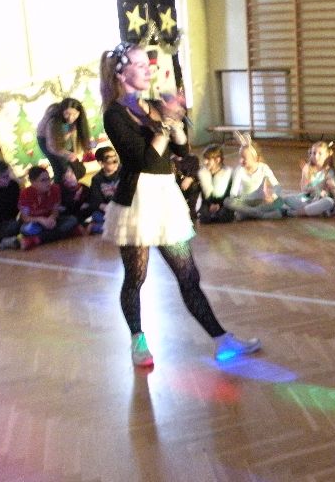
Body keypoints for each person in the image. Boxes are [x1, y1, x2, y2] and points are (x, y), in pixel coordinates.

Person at [99, 41, 260, 367]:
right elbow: (145, 160)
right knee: (136, 278)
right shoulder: (114, 114)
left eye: (148, 64)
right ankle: (137, 340)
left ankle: (222, 340)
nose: (148, 70)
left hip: (165, 198)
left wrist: (177, 121)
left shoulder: (151, 105)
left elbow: (182, 152)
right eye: (140, 65)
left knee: (189, 275)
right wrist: (165, 124)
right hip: (137, 201)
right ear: (121, 73)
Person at [0, 165, 83, 250]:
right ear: (33, 182)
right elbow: (25, 217)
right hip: (35, 222)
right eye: (43, 180)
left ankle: (36, 239)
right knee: (25, 229)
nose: (48, 182)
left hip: (51, 221)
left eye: (48, 179)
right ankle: (63, 234)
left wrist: (52, 218)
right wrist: (41, 220)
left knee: (72, 220)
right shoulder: (25, 194)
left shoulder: (55, 189)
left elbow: (55, 210)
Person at [223, 132, 284, 220]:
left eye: (244, 158)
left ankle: (249, 213)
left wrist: (273, 197)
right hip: (244, 202)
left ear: (255, 158)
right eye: (240, 157)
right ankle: (259, 214)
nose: (241, 160)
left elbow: (277, 186)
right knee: (227, 201)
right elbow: (234, 191)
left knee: (280, 201)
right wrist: (235, 198)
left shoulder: (263, 168)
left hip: (260, 201)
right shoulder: (239, 170)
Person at [36, 97, 92, 183]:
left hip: (61, 137)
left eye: (74, 114)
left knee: (78, 170)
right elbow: (52, 146)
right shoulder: (53, 122)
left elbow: (72, 138)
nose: (70, 117)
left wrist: (74, 153)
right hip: (47, 141)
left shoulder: (77, 119)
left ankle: (70, 182)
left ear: (79, 112)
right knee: (60, 169)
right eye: (67, 114)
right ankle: (59, 187)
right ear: (62, 111)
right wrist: (67, 154)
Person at [283, 141, 335, 217]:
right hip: (308, 198)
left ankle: (296, 212)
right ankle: (314, 211)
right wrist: (315, 189)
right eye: (314, 153)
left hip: (321, 199)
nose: (316, 156)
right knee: (287, 198)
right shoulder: (307, 169)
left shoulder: (330, 171)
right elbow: (304, 188)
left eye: (320, 153)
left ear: (327, 156)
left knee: (329, 202)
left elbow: (330, 191)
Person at [86, 146, 121, 234]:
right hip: (108, 211)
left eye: (115, 157)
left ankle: (102, 227)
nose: (115, 161)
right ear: (101, 163)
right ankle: (96, 227)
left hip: (124, 209)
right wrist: (111, 210)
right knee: (96, 215)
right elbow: (96, 202)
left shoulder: (123, 172)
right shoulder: (97, 179)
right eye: (109, 159)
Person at [197, 144, 235, 224]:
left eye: (208, 159)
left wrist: (219, 205)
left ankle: (217, 215)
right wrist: (210, 204)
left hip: (223, 203)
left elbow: (229, 193)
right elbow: (204, 194)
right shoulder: (204, 174)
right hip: (209, 203)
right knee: (204, 217)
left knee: (225, 214)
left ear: (217, 160)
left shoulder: (227, 173)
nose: (205, 162)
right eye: (205, 159)